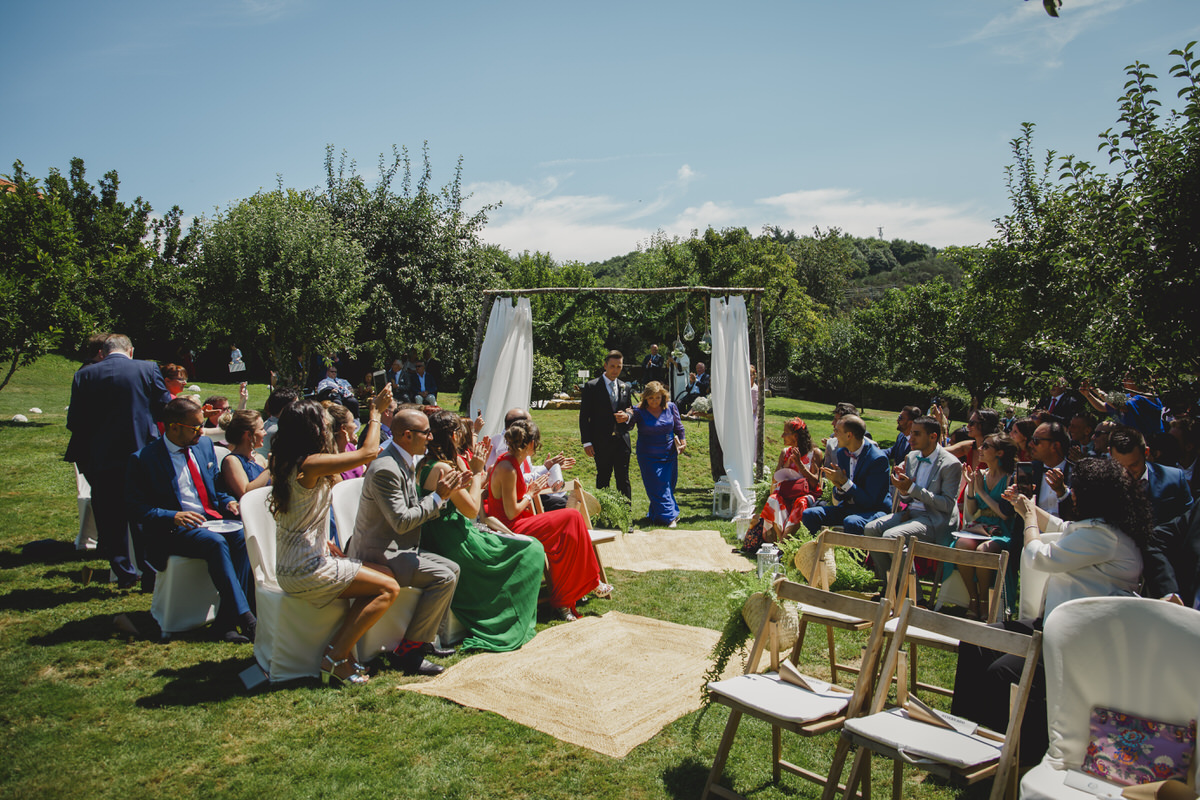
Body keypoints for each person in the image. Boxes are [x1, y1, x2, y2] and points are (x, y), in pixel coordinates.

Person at [951, 457, 1149, 764]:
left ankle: (1009, 756)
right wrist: (1024, 505)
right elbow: (1059, 526)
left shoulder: (1105, 537)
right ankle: (964, 734)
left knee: (1002, 673)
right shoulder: (1097, 529)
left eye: (1076, 490)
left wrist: (1029, 520)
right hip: (1052, 625)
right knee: (975, 641)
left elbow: (1039, 556)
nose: (1072, 495)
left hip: (1080, 640)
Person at [270, 386, 405, 686]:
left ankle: (351, 650)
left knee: (384, 573)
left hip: (302, 559)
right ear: (312, 430)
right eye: (324, 424)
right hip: (304, 568)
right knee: (388, 588)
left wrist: (324, 542)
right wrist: (374, 413)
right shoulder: (309, 465)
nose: (328, 428)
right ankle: (335, 656)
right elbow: (368, 453)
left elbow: (301, 516)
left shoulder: (288, 460)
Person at [126, 397, 256, 642]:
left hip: (211, 521)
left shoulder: (203, 446)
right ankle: (247, 618)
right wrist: (173, 515)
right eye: (195, 427)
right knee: (215, 543)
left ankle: (225, 623)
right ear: (174, 427)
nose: (201, 431)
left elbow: (216, 487)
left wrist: (228, 501)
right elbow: (136, 508)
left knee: (241, 536)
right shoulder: (145, 459)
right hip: (172, 530)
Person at [349, 406, 466, 677]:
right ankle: (408, 652)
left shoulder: (404, 459)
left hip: (398, 547)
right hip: (379, 554)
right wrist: (438, 497)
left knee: (453, 568)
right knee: (444, 577)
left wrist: (445, 494)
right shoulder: (386, 468)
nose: (431, 437)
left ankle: (425, 640)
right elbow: (401, 521)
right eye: (426, 432)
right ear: (407, 435)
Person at [418, 410, 544, 651]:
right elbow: (470, 509)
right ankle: (506, 618)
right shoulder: (443, 469)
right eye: (461, 432)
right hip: (452, 539)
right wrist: (477, 474)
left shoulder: (425, 463)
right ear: (454, 435)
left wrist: (476, 475)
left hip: (438, 534)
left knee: (523, 547)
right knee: (532, 550)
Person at [66, 333, 172, 588]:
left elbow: (75, 421)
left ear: (103, 352)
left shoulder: (84, 375)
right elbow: (164, 409)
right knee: (144, 513)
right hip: (140, 452)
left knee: (110, 516)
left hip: (101, 456)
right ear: (130, 350)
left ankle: (123, 572)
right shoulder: (147, 369)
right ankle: (150, 573)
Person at [487, 419, 610, 621]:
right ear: (531, 444)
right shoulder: (508, 468)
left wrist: (537, 484)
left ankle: (574, 594)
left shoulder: (512, 461)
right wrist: (530, 494)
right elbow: (510, 513)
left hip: (520, 521)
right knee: (572, 517)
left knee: (571, 529)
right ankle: (583, 586)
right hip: (510, 528)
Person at [863, 416, 963, 588]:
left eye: (917, 434)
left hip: (935, 519)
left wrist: (912, 488)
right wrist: (903, 490)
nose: (910, 439)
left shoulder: (951, 464)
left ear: (933, 436)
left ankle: (913, 595)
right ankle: (891, 586)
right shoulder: (912, 457)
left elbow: (947, 505)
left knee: (892, 537)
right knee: (871, 529)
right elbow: (907, 496)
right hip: (911, 514)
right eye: (911, 434)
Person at [956, 433, 1018, 618]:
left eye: (986, 446)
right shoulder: (980, 475)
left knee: (983, 550)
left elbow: (1005, 514)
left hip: (1002, 529)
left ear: (999, 453)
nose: (980, 449)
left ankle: (984, 600)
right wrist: (971, 487)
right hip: (980, 526)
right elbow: (973, 509)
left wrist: (981, 492)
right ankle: (972, 598)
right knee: (962, 544)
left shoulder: (1010, 479)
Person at [800, 414, 891, 536]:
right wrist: (838, 486)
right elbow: (842, 492)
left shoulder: (877, 459)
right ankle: (816, 547)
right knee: (810, 514)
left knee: (851, 522)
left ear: (849, 435)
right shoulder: (842, 453)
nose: (834, 435)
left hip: (873, 510)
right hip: (849, 508)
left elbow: (870, 501)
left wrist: (845, 482)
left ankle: (851, 550)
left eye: (837, 431)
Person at [628, 381, 687, 528]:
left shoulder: (671, 407)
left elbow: (679, 427)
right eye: (651, 398)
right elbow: (628, 426)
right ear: (645, 398)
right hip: (648, 454)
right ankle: (669, 517)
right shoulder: (638, 411)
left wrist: (683, 440)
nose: (654, 401)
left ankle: (656, 515)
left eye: (658, 398)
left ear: (663, 396)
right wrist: (627, 416)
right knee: (657, 485)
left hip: (669, 453)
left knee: (668, 485)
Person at [1107, 425, 1193, 525]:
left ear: (1146, 452)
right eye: (1120, 465)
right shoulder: (1102, 484)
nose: (1126, 472)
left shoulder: (1175, 479)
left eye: (1134, 465)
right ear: (1110, 453)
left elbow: (1189, 521)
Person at [579, 350, 634, 500]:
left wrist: (627, 416)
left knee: (623, 478)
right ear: (605, 365)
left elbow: (630, 410)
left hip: (622, 441)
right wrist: (587, 442)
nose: (615, 370)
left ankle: (625, 513)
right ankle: (603, 511)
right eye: (612, 366)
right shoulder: (592, 386)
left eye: (619, 366)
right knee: (603, 478)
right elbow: (584, 416)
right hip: (601, 441)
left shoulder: (625, 387)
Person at [759, 418, 823, 542]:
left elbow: (815, 482)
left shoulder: (814, 453)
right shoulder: (785, 453)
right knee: (773, 500)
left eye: (785, 433)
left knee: (801, 502)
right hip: (786, 492)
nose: (782, 436)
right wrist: (787, 465)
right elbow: (775, 479)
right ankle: (782, 541)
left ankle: (782, 543)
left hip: (807, 493)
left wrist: (799, 464)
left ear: (795, 436)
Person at [218, 409, 271, 500]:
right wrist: (270, 469)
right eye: (261, 429)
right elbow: (245, 493)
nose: (265, 433)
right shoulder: (232, 461)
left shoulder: (259, 458)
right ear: (249, 435)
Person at [325, 402, 365, 481]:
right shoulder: (331, 458)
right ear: (343, 428)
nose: (356, 426)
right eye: (352, 421)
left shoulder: (350, 447)